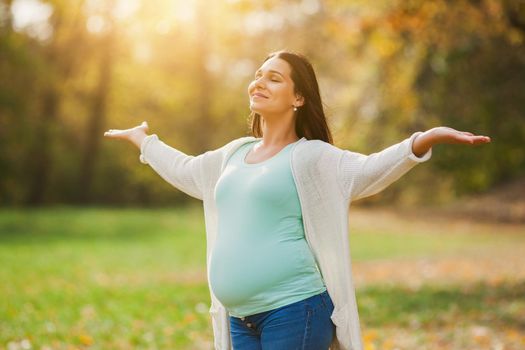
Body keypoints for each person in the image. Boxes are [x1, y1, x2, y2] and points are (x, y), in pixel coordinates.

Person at [104, 50, 491, 350]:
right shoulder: (233, 153)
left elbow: (368, 171)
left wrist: (422, 140)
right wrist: (144, 141)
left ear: (299, 97)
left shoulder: (310, 156)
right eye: (258, 76)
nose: (259, 83)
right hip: (239, 319)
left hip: (294, 310)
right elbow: (186, 170)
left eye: (274, 78)